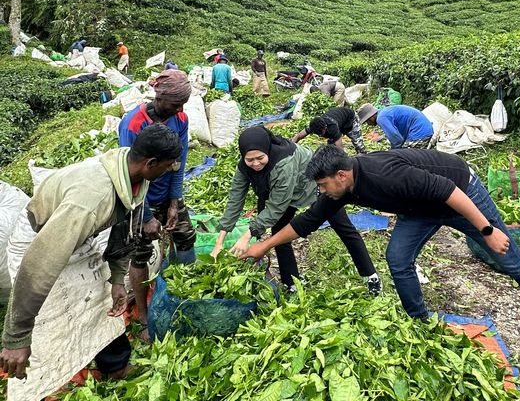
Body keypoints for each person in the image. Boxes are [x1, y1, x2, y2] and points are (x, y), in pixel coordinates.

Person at [242, 146, 520, 390]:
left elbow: (449, 191)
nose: (320, 192)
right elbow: (308, 221)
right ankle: (420, 324)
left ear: (341, 174)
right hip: (420, 208)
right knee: (398, 259)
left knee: (511, 261)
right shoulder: (340, 189)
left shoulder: (384, 176)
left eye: (322, 185)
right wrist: (263, 245)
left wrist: (487, 230)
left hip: (461, 193)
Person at [0, 124, 183, 383]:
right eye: (168, 166)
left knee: (101, 301)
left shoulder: (130, 173)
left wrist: (117, 279)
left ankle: (115, 367)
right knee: (48, 316)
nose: (169, 171)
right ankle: (35, 375)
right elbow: (40, 264)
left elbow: (124, 228)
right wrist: (16, 336)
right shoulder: (90, 200)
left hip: (79, 238)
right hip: (39, 239)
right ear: (151, 163)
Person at [212, 126, 381, 295]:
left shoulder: (284, 163)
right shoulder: (244, 167)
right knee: (279, 233)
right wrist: (219, 242)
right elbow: (235, 198)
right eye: (250, 160)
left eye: (260, 158)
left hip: (313, 184)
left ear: (267, 150)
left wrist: (247, 235)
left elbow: (277, 205)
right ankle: (292, 283)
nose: (255, 164)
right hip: (286, 191)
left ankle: (371, 276)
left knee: (343, 227)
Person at [119, 69, 196, 342]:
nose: (181, 109)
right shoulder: (133, 123)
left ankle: (183, 292)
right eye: (176, 103)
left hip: (166, 195)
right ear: (160, 97)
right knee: (140, 253)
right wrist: (147, 215)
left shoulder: (181, 119)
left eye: (183, 104)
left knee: (185, 237)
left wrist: (174, 201)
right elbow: (129, 175)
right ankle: (143, 316)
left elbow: (179, 162)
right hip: (138, 199)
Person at [292, 107, 367, 154]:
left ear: (325, 127)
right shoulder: (314, 125)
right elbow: (298, 136)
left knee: (358, 144)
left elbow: (340, 149)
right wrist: (290, 145)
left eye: (321, 133)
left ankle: (364, 157)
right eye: (317, 134)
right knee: (330, 148)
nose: (320, 136)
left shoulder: (332, 128)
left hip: (350, 118)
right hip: (339, 120)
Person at [358, 103, 433, 149]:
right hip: (424, 129)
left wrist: (392, 153)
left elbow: (397, 140)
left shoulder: (381, 118)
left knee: (404, 157)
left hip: (420, 133)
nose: (368, 124)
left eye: (367, 121)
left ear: (370, 117)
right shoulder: (384, 113)